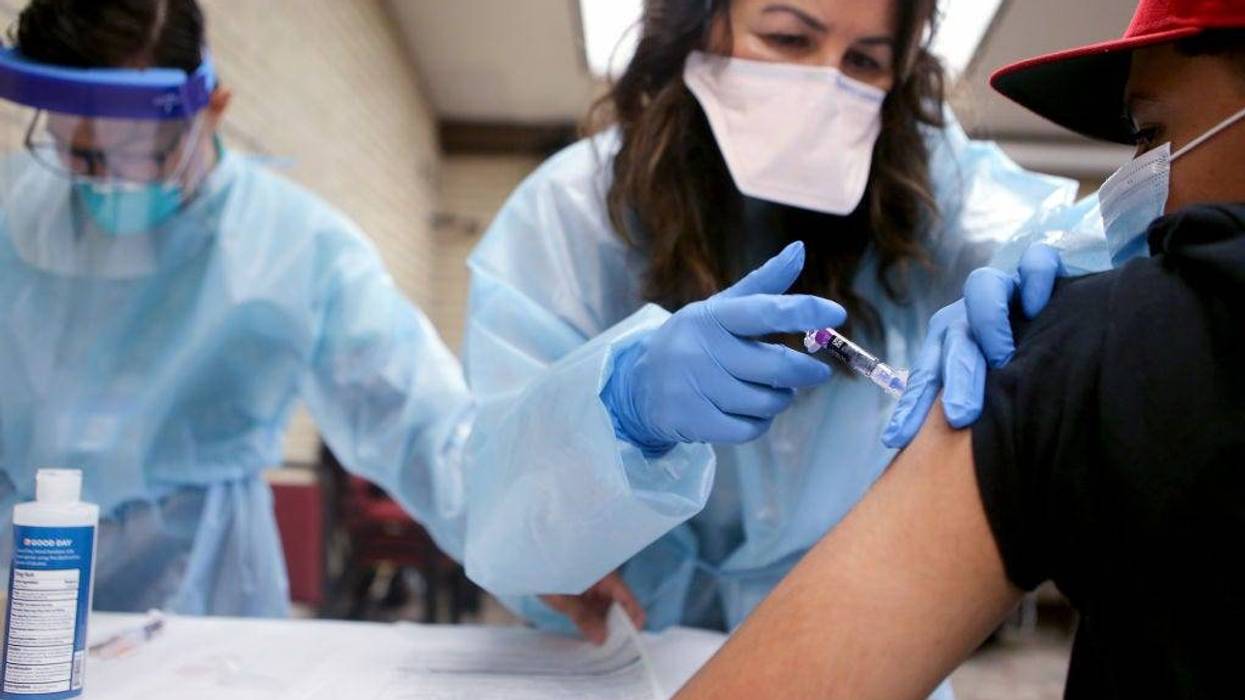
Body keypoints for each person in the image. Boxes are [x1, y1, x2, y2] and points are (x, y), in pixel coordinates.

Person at [460, 0, 1080, 647]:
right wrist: (621, 407)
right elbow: (501, 525)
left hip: (857, 645)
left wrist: (1047, 273)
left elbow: (1068, 242)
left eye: (864, 59)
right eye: (788, 37)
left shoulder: (924, 186)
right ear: (698, 24)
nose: (824, 82)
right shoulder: (571, 210)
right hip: (631, 643)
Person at [676, 1, 1245, 697]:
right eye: (788, 37)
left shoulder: (1095, 341)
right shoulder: (574, 212)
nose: (1135, 188)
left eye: (1151, 133)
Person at [0, 0, 475, 617]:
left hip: (205, 582)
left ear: (213, 109)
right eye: (76, 153)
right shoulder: (14, 210)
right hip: (25, 577)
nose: (101, 181)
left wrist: (534, 555)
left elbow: (421, 423)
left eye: (133, 155)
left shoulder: (296, 245)